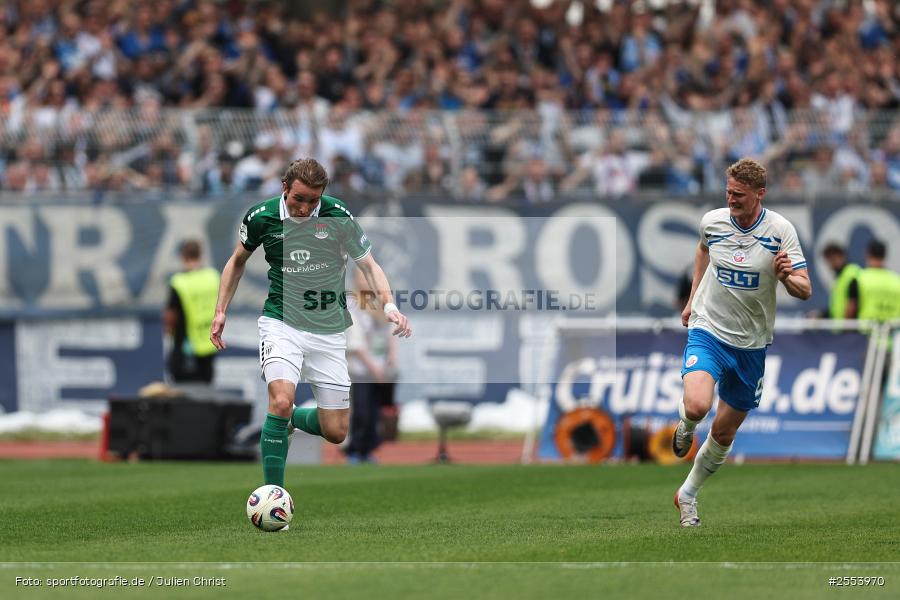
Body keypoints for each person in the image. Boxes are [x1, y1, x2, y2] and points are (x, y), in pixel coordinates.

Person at [210, 158, 411, 498]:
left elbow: (370, 266)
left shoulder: (338, 216)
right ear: (284, 189)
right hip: (281, 323)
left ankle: (288, 420)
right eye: (298, 198)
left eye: (312, 201)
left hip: (329, 330)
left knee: (336, 431)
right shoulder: (261, 217)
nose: (304, 207)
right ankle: (273, 497)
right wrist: (220, 311)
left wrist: (389, 305)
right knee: (280, 400)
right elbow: (236, 262)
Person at [673, 158, 811, 527]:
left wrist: (786, 277)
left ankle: (687, 496)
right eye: (728, 192)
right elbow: (703, 250)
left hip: (751, 344)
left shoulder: (781, 231)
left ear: (759, 194)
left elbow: (804, 289)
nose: (730, 199)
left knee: (723, 432)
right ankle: (686, 424)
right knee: (699, 405)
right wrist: (691, 299)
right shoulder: (713, 222)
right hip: (709, 329)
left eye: (738, 194)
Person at [344, 268, 398, 464]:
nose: (365, 281)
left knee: (375, 411)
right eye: (360, 277)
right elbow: (355, 341)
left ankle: (368, 449)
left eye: (367, 277)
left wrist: (392, 356)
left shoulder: (383, 301)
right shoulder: (352, 303)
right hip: (361, 368)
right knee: (361, 411)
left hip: (380, 368)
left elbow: (391, 328)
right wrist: (372, 367)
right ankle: (355, 450)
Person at [164, 240, 220, 383]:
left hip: (186, 346)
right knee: (206, 389)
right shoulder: (213, 277)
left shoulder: (179, 282)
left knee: (183, 395)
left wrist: (168, 332)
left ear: (183, 256)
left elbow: (171, 315)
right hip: (209, 343)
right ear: (200, 255)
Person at [845, 240, 900, 322]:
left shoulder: (859, 279)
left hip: (866, 332)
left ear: (867, 254)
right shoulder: (897, 280)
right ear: (885, 255)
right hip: (894, 332)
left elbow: (851, 308)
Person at [821, 243, 860, 320]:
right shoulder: (839, 277)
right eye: (829, 261)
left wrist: (847, 328)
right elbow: (836, 307)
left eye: (833, 259)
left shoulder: (852, 273)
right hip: (841, 328)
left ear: (842, 256)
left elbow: (853, 303)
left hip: (850, 328)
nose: (831, 264)